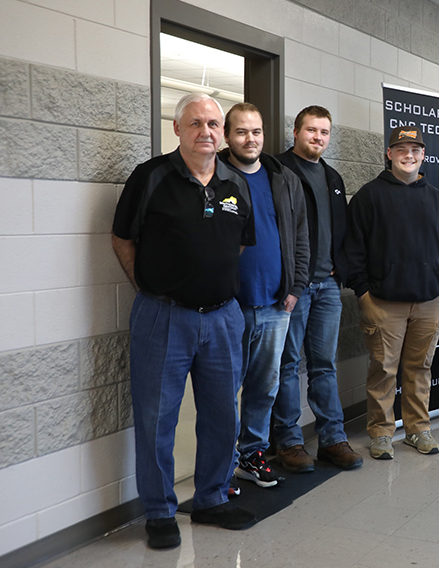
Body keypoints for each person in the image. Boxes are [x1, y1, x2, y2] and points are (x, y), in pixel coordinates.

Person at [111, 93, 256, 549]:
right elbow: (121, 239)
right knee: (157, 419)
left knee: (221, 415)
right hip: (163, 317)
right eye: (195, 123)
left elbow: (237, 244)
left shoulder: (236, 182)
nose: (206, 131)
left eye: (214, 123)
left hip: (223, 319)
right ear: (177, 129)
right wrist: (151, 288)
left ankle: (211, 498)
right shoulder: (150, 177)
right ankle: (159, 510)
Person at [345, 126, 439, 459]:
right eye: (401, 149)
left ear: (423, 155)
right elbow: (353, 251)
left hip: (430, 301)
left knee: (420, 368)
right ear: (389, 154)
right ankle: (381, 433)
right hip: (383, 303)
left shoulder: (438, 199)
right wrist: (363, 293)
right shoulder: (369, 196)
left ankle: (417, 429)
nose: (408, 155)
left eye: (415, 150)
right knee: (383, 370)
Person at [219, 103, 310, 488]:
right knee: (222, 390)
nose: (250, 139)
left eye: (256, 131)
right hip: (229, 307)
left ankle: (251, 455)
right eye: (241, 132)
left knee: (264, 386)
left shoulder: (283, 178)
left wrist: (296, 287)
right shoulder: (215, 175)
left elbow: (301, 236)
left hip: (276, 305)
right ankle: (218, 468)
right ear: (227, 136)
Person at [274, 106, 363, 473]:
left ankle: (331, 439)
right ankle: (289, 442)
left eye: (324, 132)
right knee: (288, 365)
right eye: (311, 130)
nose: (318, 138)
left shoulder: (333, 177)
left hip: (327, 286)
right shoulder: (276, 171)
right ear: (295, 132)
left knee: (324, 365)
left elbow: (340, 229)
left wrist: (340, 271)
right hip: (294, 288)